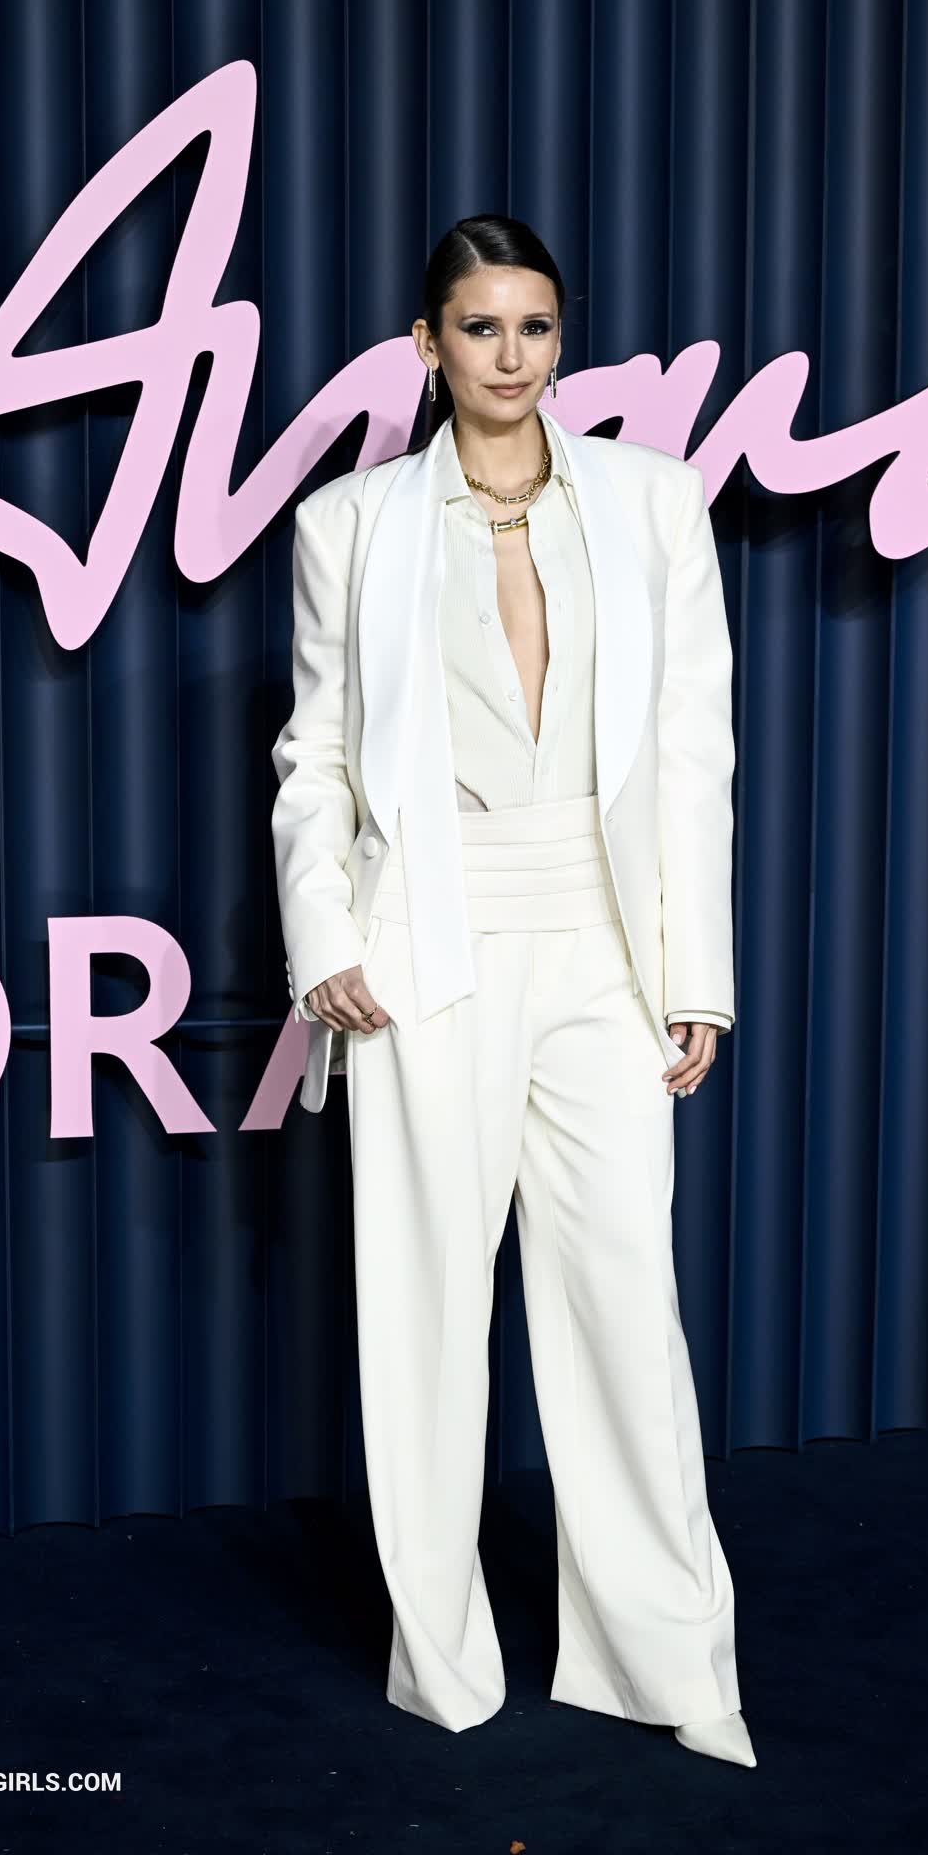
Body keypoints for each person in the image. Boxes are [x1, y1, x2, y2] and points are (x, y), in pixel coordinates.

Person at [270, 215, 755, 1767]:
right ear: (428, 344)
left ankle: (664, 1664)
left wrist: (695, 973)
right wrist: (325, 940)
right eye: (479, 327)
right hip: (431, 943)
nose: (510, 355)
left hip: (602, 943)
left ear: (561, 339)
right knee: (421, 1312)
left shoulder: (654, 501)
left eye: (535, 326)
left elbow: (693, 755)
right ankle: (448, 1663)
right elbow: (317, 757)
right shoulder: (350, 524)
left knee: (625, 1308)